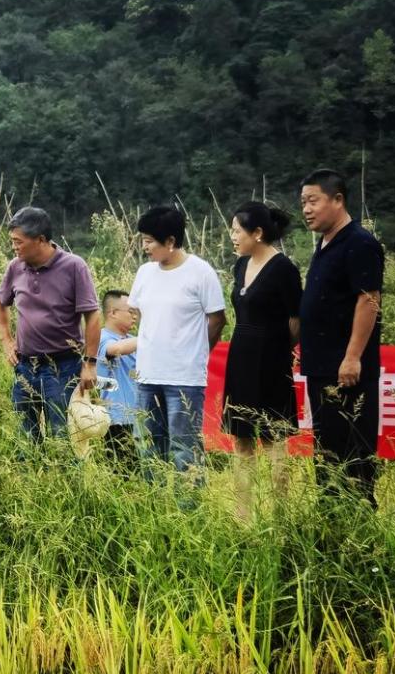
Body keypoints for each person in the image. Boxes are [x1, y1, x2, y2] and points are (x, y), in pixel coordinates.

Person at [298, 169, 383, 506]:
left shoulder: (359, 243)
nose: (306, 209)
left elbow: (368, 299)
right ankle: (331, 522)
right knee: (327, 452)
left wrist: (352, 356)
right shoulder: (325, 243)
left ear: (338, 199)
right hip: (321, 367)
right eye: (303, 203)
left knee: (353, 453)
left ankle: (358, 523)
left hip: (347, 371)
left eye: (313, 201)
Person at [128, 205, 227, 479]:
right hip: (147, 376)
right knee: (148, 446)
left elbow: (217, 319)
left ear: (170, 241)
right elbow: (138, 312)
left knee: (185, 450)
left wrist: (198, 352)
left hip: (184, 378)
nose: (145, 247)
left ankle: (189, 502)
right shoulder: (145, 272)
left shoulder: (201, 272)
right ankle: (155, 500)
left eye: (149, 241)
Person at [0, 207, 100, 444]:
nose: (14, 247)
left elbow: (92, 316)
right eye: (12, 241)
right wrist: (7, 341)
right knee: (25, 439)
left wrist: (90, 364)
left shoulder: (74, 266)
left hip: (63, 366)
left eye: (18, 241)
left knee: (64, 438)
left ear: (40, 239)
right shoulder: (15, 267)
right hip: (24, 366)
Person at [223, 201, 302, 517]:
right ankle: (242, 515)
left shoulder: (284, 269)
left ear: (257, 233)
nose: (232, 236)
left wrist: (277, 348)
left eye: (236, 230)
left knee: (273, 438)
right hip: (240, 355)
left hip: (271, 359)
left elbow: (296, 320)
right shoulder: (240, 265)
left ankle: (280, 515)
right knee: (241, 439)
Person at [96, 290, 139, 467]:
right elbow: (115, 349)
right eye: (130, 311)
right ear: (113, 313)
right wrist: (150, 336)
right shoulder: (101, 337)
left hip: (137, 418)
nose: (134, 316)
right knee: (121, 471)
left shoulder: (132, 340)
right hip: (115, 419)